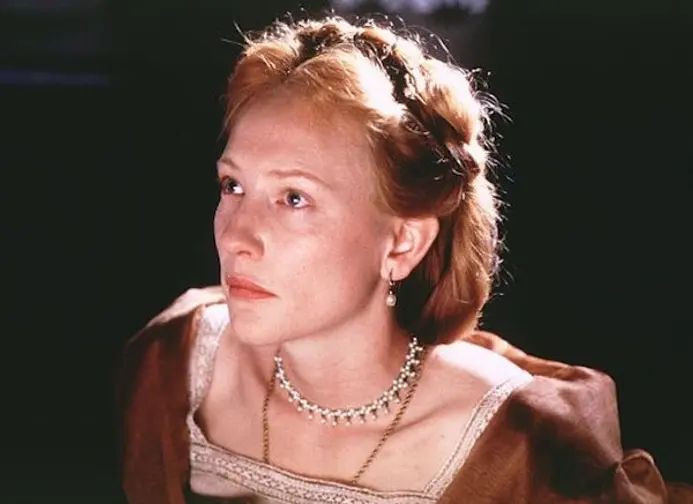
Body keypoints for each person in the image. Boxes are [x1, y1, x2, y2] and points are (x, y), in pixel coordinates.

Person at [116, 15, 692, 504]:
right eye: (233, 185)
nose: (238, 236)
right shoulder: (174, 363)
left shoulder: (521, 448)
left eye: (294, 198)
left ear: (402, 245)